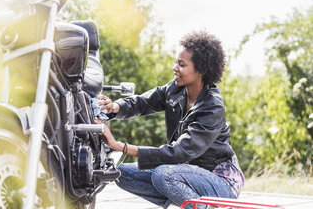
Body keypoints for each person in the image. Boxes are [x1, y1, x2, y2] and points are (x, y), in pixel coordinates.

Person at [96, 30, 245, 209]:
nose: (175, 68)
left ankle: (205, 207)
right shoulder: (176, 89)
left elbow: (178, 153)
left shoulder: (212, 107)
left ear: (201, 71)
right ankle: (183, 204)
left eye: (182, 65)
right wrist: (114, 107)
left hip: (219, 181)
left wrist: (119, 146)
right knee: (119, 173)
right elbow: (143, 102)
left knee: (163, 175)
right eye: (176, 62)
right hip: (184, 172)